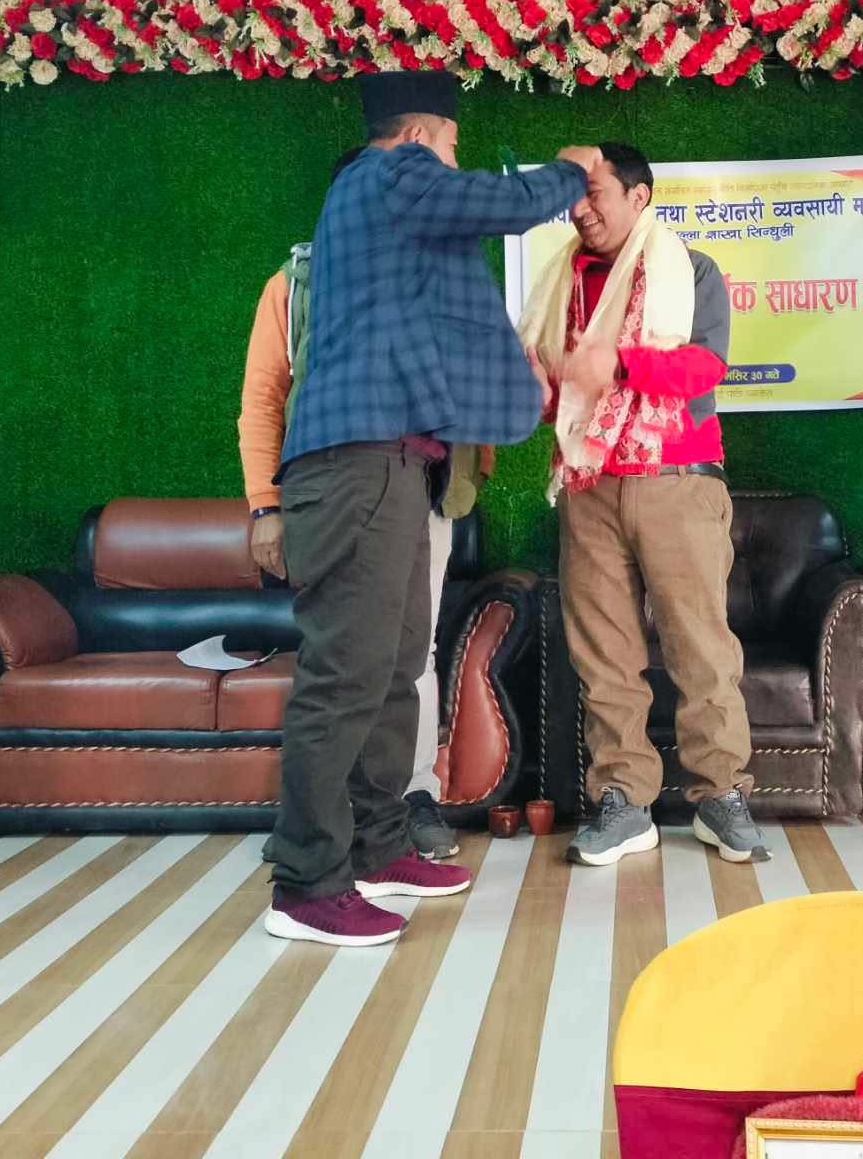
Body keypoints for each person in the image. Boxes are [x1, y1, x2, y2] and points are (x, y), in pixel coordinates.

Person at [264, 68, 599, 947]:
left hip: (393, 463)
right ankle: (305, 884)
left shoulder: (383, 214)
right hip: (357, 461)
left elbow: (437, 328)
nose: (453, 160)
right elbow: (502, 204)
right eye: (453, 144)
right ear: (421, 137)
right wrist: (572, 172)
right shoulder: (388, 172)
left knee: (394, 663)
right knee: (346, 674)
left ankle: (377, 847)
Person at [237, 145, 495, 862]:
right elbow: (262, 400)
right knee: (347, 664)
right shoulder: (296, 284)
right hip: (342, 488)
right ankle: (316, 849)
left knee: (408, 657)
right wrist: (264, 506)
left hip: (425, 490)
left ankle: (403, 809)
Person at [518, 142, 767, 867]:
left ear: (639, 197)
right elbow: (559, 393)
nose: (580, 208)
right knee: (604, 655)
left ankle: (721, 796)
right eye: (573, 195)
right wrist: (538, 390)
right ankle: (623, 802)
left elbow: (705, 366)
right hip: (588, 484)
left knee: (701, 647)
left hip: (677, 479)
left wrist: (621, 363)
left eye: (594, 192)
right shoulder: (560, 284)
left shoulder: (691, 271)